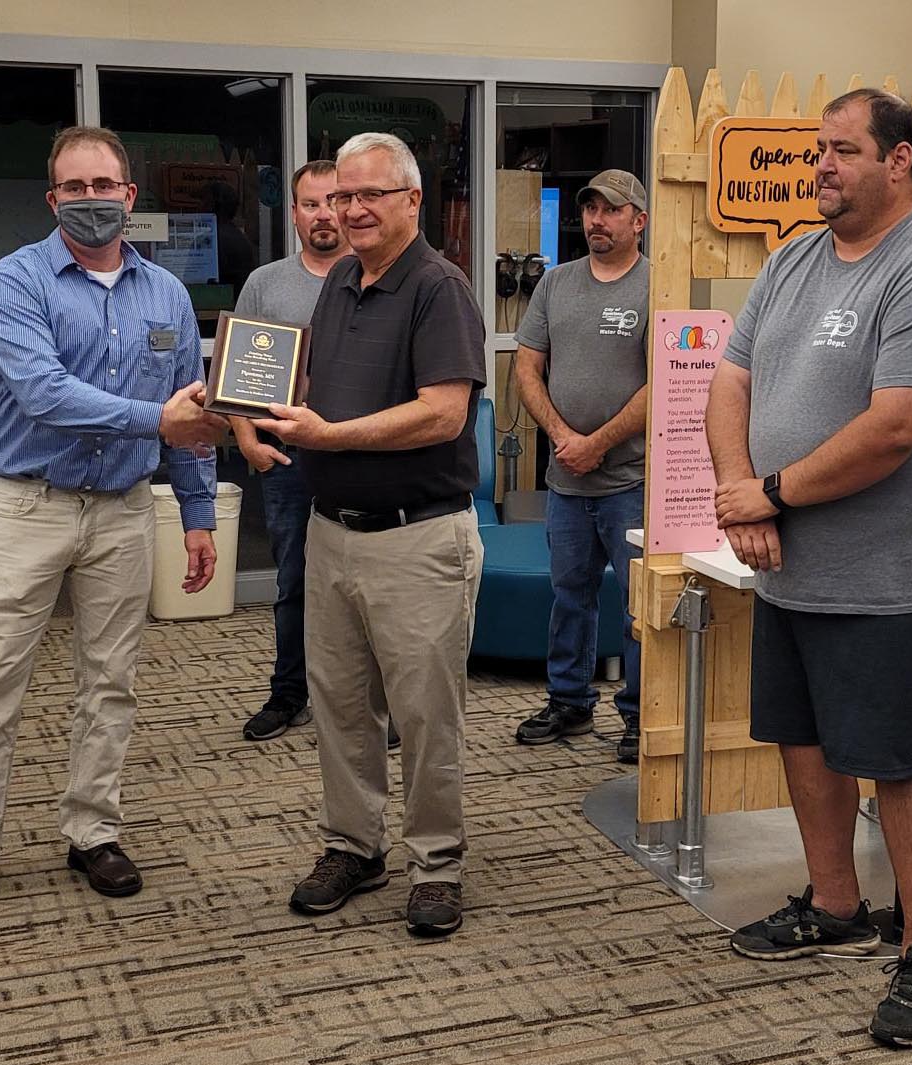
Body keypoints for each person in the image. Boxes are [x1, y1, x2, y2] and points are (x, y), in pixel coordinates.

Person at [706, 89, 912, 1048]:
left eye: (842, 151)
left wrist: (771, 494)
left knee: (902, 768)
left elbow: (894, 430)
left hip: (895, 579)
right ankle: (834, 904)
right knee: (803, 742)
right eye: (817, 152)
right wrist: (739, 486)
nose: (820, 168)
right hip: (792, 569)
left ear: (902, 161)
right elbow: (731, 378)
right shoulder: (792, 257)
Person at [0, 125, 227, 922]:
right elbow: (46, 393)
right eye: (75, 189)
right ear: (55, 200)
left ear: (130, 194)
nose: (92, 200)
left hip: (123, 513)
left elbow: (191, 410)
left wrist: (196, 514)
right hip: (27, 508)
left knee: (109, 683)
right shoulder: (12, 283)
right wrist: (159, 422)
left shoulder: (167, 297)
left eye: (105, 186)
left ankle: (93, 831)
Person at [261, 132, 486, 939]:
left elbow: (444, 412)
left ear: (411, 202)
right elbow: (322, 384)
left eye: (369, 196)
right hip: (333, 534)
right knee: (340, 705)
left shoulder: (440, 287)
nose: (350, 210)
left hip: (417, 540)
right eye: (339, 196)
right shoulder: (343, 281)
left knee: (427, 716)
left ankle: (438, 865)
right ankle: (354, 846)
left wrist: (330, 436)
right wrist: (259, 410)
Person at [512, 168, 650, 764]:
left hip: (633, 481)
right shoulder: (556, 283)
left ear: (638, 220)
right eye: (590, 208)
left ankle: (642, 715)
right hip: (566, 480)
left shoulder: (658, 286)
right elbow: (526, 367)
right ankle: (569, 701)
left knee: (639, 605)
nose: (596, 219)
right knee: (569, 593)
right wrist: (566, 436)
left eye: (610, 210)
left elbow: (664, 382)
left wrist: (600, 441)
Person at [229, 160, 348, 742]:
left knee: (364, 584)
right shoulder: (266, 283)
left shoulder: (374, 275)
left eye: (333, 201)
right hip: (287, 458)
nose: (323, 214)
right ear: (294, 213)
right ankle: (289, 693)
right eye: (310, 204)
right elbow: (239, 374)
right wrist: (248, 438)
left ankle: (368, 704)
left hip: (360, 455)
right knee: (293, 581)